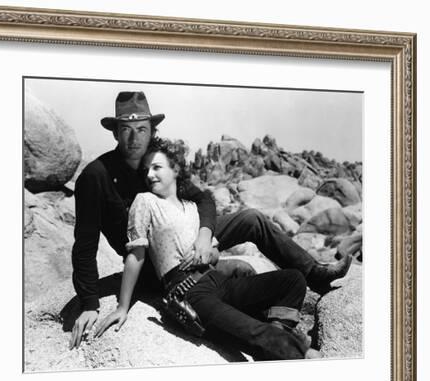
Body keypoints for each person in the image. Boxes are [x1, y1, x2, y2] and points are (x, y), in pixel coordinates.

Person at [70, 91, 351, 349]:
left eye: (141, 129)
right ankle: (277, 329)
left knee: (251, 218)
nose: (134, 139)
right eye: (126, 130)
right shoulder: (96, 176)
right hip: (156, 265)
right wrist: (89, 304)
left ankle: (315, 275)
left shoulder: (157, 161)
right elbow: (84, 246)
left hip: (188, 239)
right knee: (240, 270)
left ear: (152, 130)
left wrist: (205, 237)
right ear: (116, 133)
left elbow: (203, 198)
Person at [94, 138, 322, 360]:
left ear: (175, 169)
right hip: (188, 292)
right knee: (257, 332)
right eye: (145, 170)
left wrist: (205, 254)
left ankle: (281, 336)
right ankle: (296, 352)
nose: (149, 174)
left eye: (156, 167)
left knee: (293, 280)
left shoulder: (193, 208)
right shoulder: (144, 201)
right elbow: (136, 255)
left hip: (216, 279)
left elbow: (214, 254)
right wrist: (122, 306)